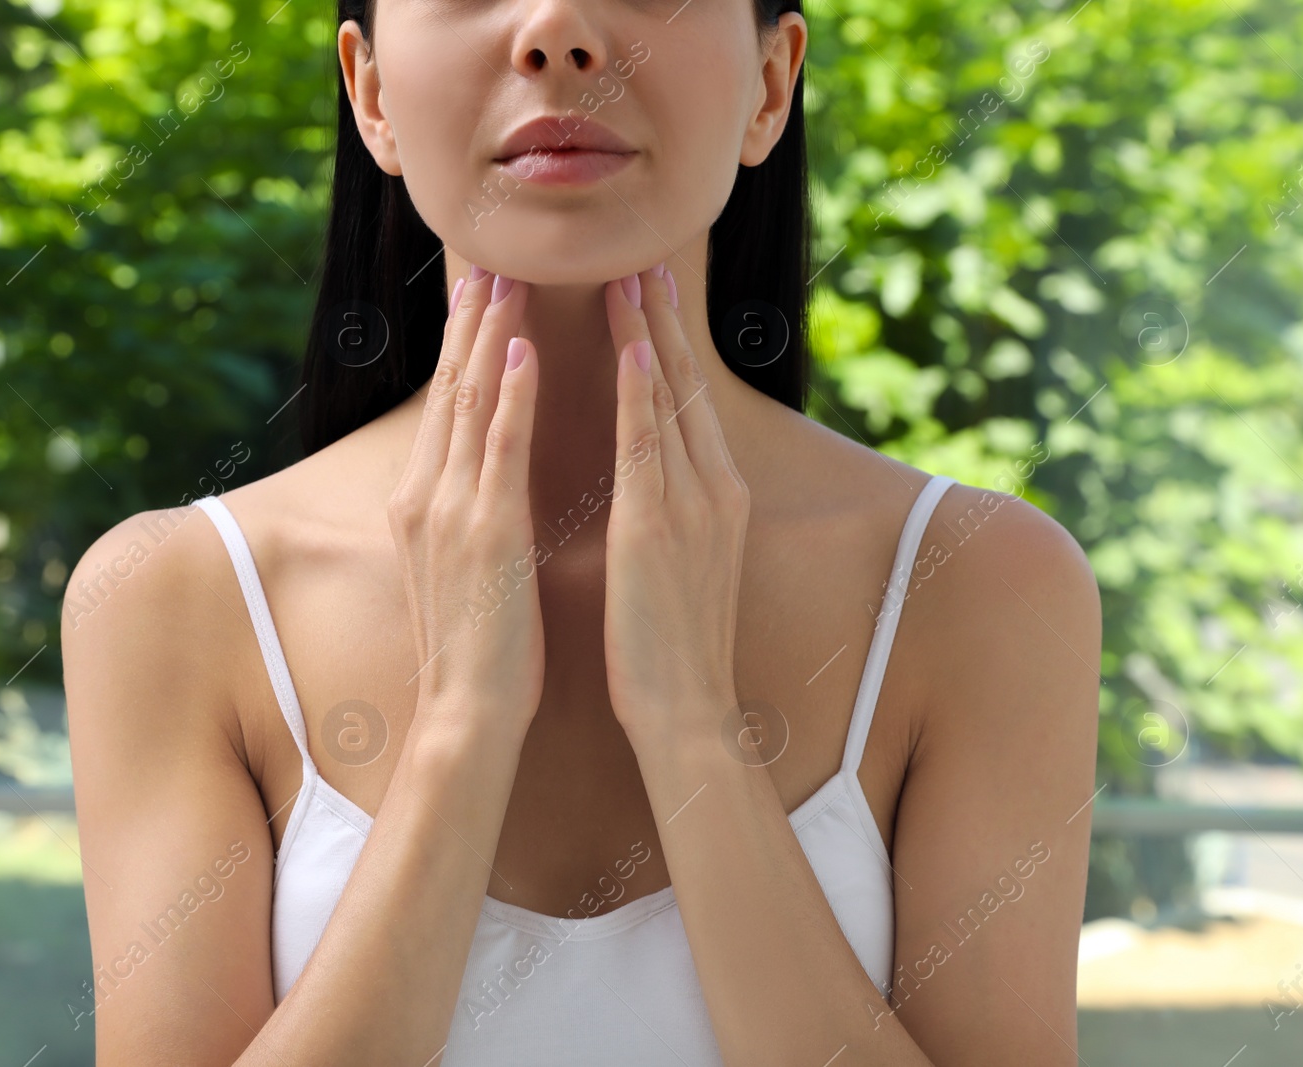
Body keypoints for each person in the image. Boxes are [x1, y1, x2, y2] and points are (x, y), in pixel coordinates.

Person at [62, 0, 1102, 1062]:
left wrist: (690, 724)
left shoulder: (977, 584)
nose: (557, 32)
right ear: (369, 90)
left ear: (770, 83)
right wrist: (460, 728)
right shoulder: (177, 595)